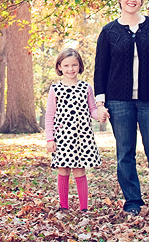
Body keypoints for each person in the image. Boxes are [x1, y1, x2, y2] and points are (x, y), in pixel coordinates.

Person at [94, 0, 149, 216]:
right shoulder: (109, 31)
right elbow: (101, 68)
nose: (132, 0)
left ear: (142, 0)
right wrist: (100, 101)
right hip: (119, 102)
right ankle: (132, 202)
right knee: (125, 153)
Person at [45, 48, 105, 211]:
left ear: (79, 66)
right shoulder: (55, 89)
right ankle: (63, 206)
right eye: (66, 65)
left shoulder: (86, 87)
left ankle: (83, 208)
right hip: (63, 136)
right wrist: (50, 138)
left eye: (74, 65)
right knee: (63, 169)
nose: (70, 69)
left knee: (79, 169)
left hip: (81, 136)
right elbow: (50, 115)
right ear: (59, 67)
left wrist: (99, 114)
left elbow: (91, 109)